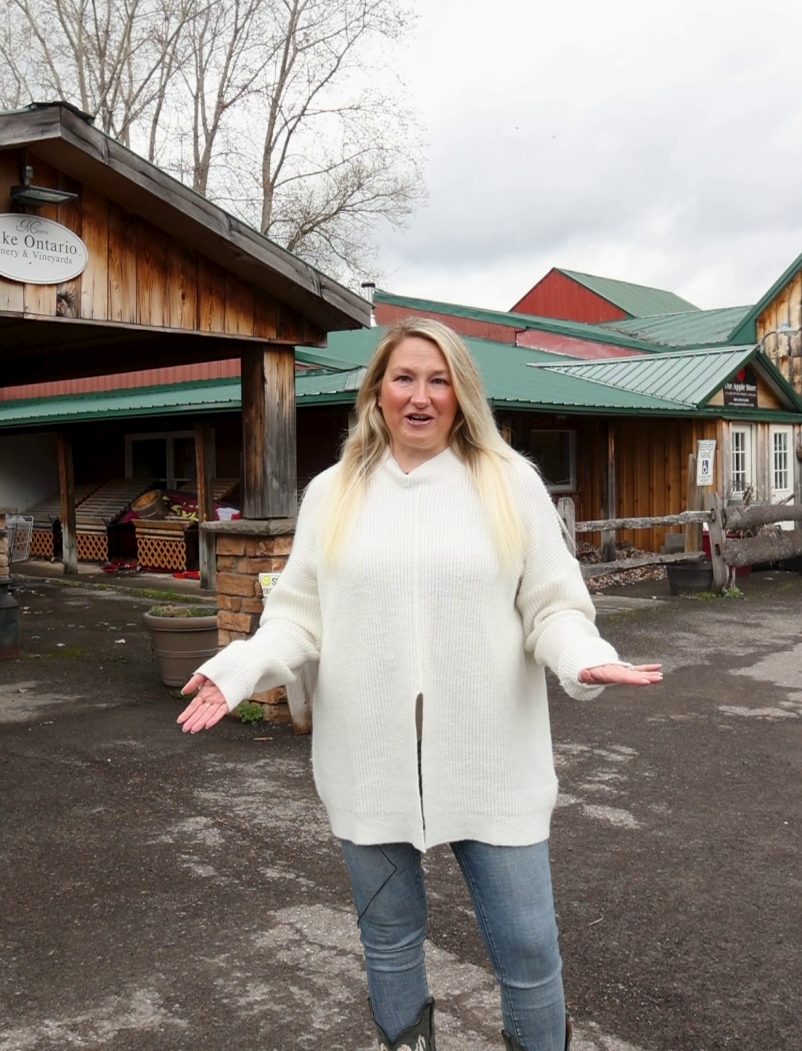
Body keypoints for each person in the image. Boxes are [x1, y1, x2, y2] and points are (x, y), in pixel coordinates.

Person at [178, 317, 660, 1051]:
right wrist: (238, 668)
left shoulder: (508, 484)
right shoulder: (333, 493)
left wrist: (581, 655)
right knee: (391, 945)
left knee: (529, 954)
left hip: (492, 765)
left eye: (440, 381)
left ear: (462, 396)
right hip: (369, 764)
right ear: (376, 393)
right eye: (404, 378)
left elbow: (553, 607)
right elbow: (299, 620)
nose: (421, 397)